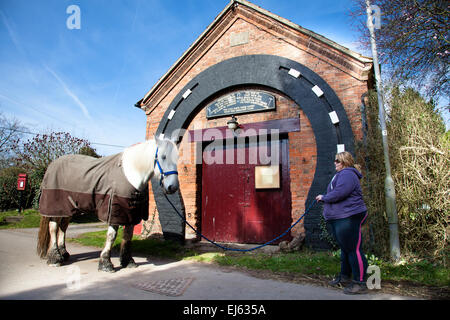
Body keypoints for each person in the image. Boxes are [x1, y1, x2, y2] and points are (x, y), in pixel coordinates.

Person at [316, 151, 369, 294]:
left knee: (353, 249)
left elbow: (340, 193)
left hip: (349, 216)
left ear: (345, 162)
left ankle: (360, 282)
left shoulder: (347, 174)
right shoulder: (342, 174)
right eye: (335, 160)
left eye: (337, 160)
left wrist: (324, 197)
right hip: (342, 217)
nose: (335, 162)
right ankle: (345, 277)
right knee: (346, 249)